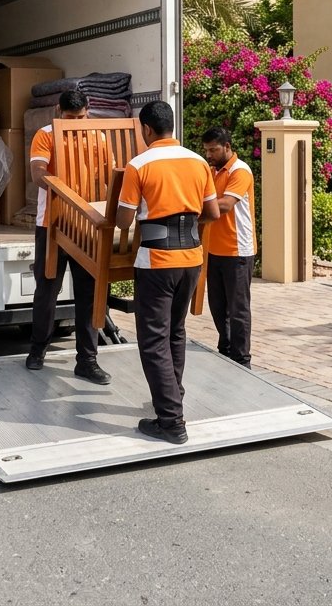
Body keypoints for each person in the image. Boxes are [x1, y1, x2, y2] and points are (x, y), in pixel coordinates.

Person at [116, 100, 219, 444]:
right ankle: (174, 398)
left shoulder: (138, 165)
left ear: (146, 129)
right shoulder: (199, 161)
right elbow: (213, 213)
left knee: (153, 339)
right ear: (171, 125)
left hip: (157, 261)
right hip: (191, 258)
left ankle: (172, 421)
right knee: (176, 331)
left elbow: (124, 220)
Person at [24, 89, 110, 385]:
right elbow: (37, 173)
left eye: (81, 118)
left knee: (88, 291)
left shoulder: (97, 136)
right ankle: (37, 350)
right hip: (52, 222)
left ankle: (87, 360)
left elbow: (106, 176)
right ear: (58, 112)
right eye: (69, 118)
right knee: (47, 289)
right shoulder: (46, 134)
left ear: (89, 111)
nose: (75, 123)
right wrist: (64, 190)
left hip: (86, 224)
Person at [201, 126, 256, 368]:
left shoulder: (240, 170)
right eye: (206, 150)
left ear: (227, 147)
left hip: (238, 251)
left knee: (238, 309)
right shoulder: (212, 171)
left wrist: (189, 214)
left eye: (213, 150)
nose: (209, 155)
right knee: (217, 306)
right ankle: (225, 351)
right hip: (214, 250)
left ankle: (242, 360)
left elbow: (223, 206)